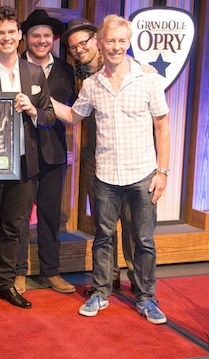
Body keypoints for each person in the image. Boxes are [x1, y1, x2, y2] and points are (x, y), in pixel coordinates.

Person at [53, 14, 170, 324]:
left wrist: (163, 172)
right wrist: (38, 96)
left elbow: (162, 126)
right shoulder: (92, 84)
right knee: (104, 237)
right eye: (111, 41)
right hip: (105, 176)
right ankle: (101, 293)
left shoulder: (148, 79)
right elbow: (73, 116)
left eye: (122, 41)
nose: (116, 46)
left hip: (142, 174)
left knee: (143, 240)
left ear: (128, 43)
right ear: (101, 45)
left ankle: (146, 298)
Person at [0, 6, 57, 318]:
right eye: (0, 32)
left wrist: (32, 109)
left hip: (24, 163)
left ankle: (5, 283)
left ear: (19, 36)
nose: (6, 37)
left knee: (14, 227)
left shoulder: (34, 73)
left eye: (11, 32)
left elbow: (48, 117)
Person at [59, 18, 136, 295]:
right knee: (104, 225)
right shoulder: (78, 77)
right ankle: (108, 278)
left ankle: (138, 281)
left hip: (129, 157)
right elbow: (73, 115)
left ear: (98, 40)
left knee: (132, 222)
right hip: (94, 157)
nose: (79, 49)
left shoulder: (126, 68)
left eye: (84, 42)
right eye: (73, 47)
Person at [15, 9, 77, 295]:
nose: (41, 40)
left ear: (54, 39)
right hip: (20, 153)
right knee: (18, 216)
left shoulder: (66, 70)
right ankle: (18, 272)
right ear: (25, 38)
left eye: (46, 36)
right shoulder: (12, 68)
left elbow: (75, 112)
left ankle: (51, 271)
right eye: (35, 35)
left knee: (51, 216)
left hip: (54, 153)